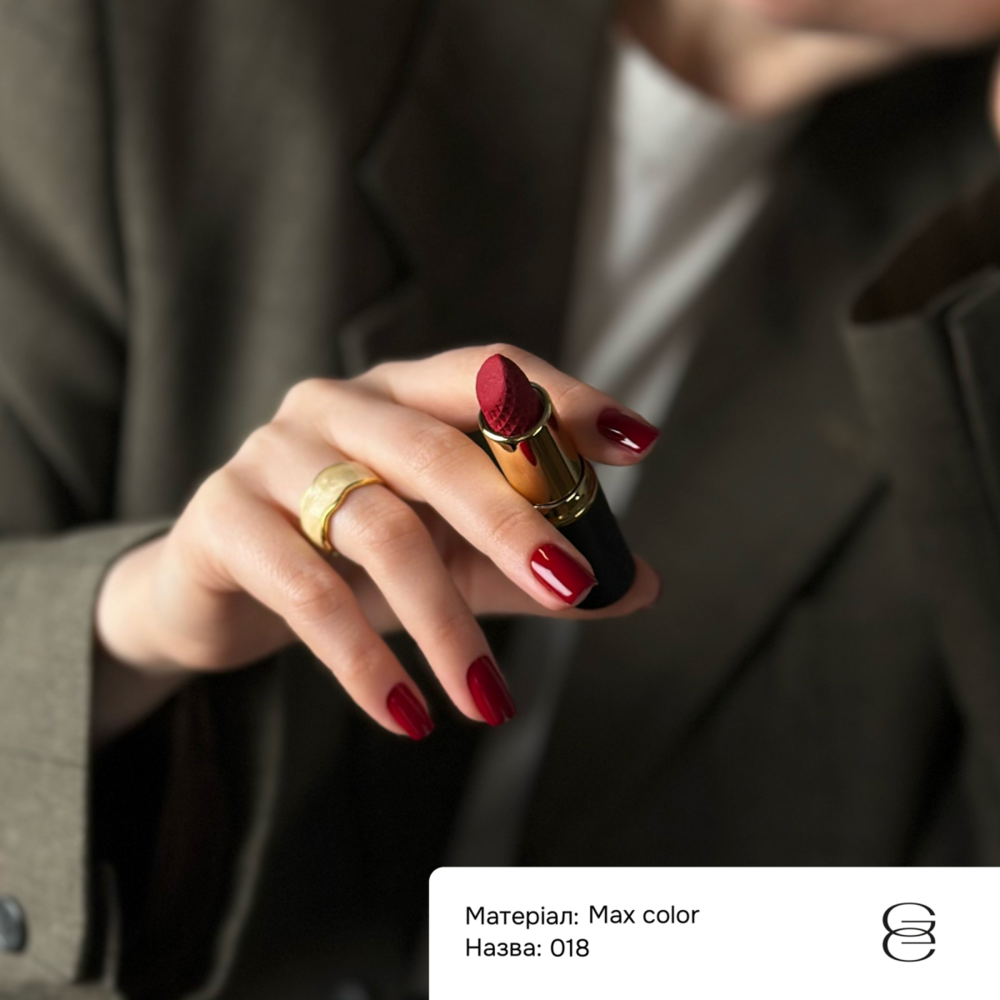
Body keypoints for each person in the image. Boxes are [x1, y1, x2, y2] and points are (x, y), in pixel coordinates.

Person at [0, 1, 996, 997]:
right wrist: (139, 624)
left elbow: (959, 944)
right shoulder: (149, 44)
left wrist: (520, 943)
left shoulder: (964, 241)